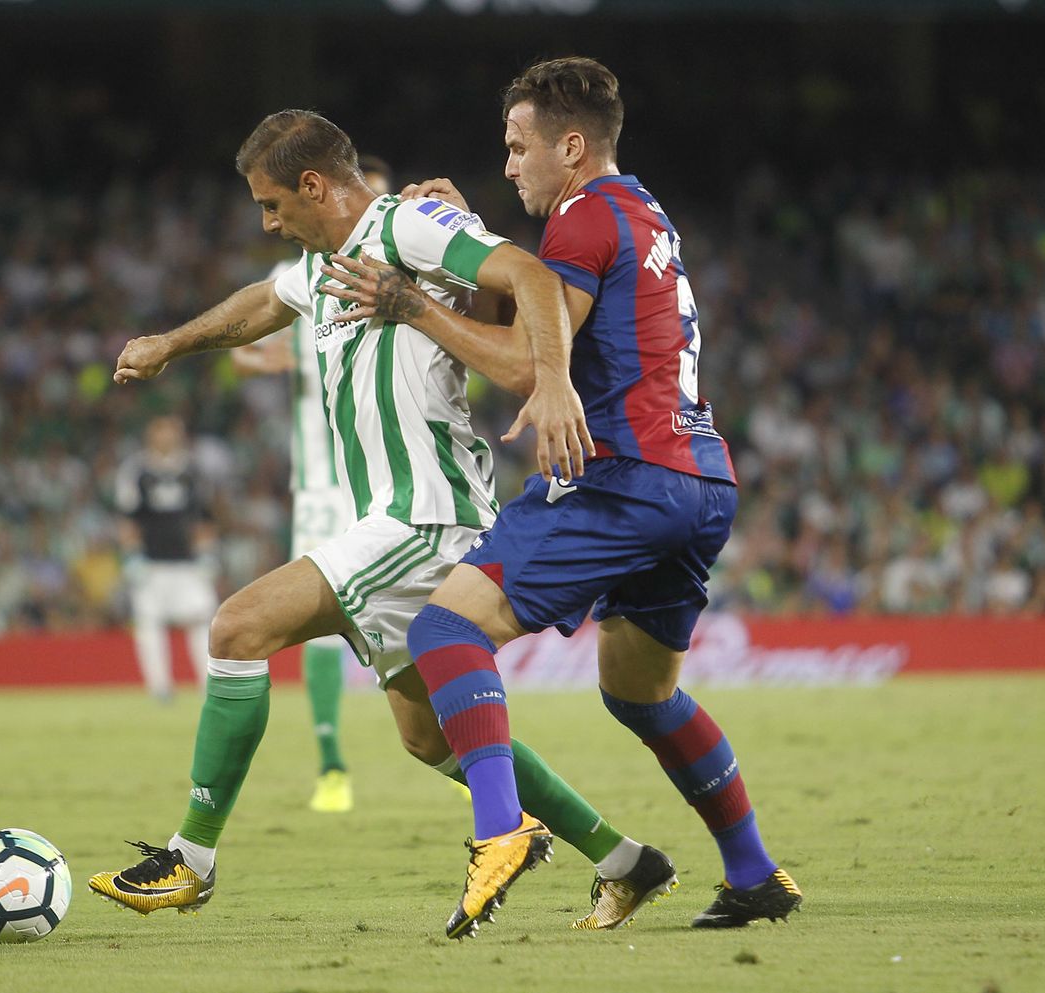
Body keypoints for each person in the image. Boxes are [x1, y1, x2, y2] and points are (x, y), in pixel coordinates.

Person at [88, 109, 674, 933]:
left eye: (271, 203)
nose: (267, 220)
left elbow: (529, 276)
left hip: (425, 515)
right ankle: (625, 858)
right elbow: (263, 302)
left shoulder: (409, 226)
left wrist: (551, 379)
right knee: (429, 739)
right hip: (399, 519)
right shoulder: (320, 263)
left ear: (314, 184)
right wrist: (169, 343)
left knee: (236, 627)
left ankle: (192, 858)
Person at [321, 57, 803, 937]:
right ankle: (753, 873)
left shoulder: (580, 222)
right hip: (701, 479)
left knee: (443, 627)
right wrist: (475, 236)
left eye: (517, 146)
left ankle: (500, 830)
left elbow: (520, 363)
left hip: (625, 474)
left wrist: (409, 301)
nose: (509, 164)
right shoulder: (640, 208)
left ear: (570, 147)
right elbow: (558, 317)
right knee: (641, 693)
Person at [229, 156, 395, 814]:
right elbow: (245, 347)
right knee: (323, 625)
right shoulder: (299, 275)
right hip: (327, 483)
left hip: (399, 478)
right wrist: (288, 349)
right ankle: (332, 762)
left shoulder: (405, 260)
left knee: (432, 619)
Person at [113, 414, 215, 701]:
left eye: (172, 432)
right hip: (151, 563)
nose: (168, 438)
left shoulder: (192, 470)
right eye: (162, 432)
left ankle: (208, 684)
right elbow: (127, 517)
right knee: (149, 624)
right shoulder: (136, 471)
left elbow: (204, 517)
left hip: (188, 563)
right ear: (151, 436)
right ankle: (160, 688)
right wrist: (132, 555)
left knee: (201, 621)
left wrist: (207, 553)